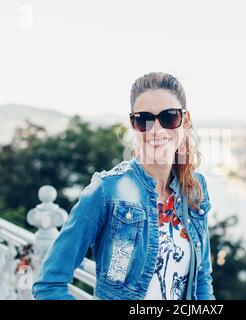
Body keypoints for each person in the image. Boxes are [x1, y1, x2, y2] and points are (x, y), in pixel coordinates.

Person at [32, 72, 215, 300]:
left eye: (169, 117)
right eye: (144, 119)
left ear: (185, 121)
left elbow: (202, 279)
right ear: (133, 125)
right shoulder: (107, 191)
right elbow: (49, 285)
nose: (156, 130)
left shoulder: (195, 188)